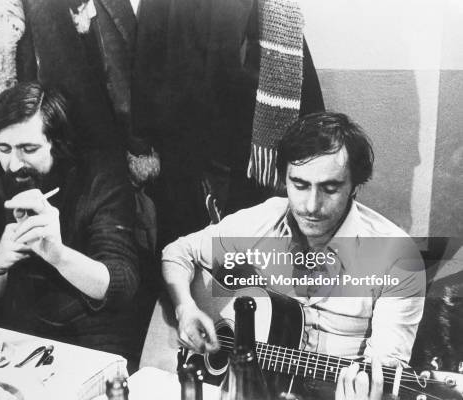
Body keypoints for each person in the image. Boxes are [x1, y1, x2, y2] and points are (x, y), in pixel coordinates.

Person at [0, 0, 325, 255]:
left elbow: (301, 93)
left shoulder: (278, 12)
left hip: (251, 157)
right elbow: (148, 74)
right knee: (193, 263)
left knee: (263, 256)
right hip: (184, 159)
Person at [162, 112, 426, 369]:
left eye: (330, 188)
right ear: (284, 180)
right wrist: (185, 308)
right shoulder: (264, 219)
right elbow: (178, 252)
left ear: (355, 186)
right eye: (299, 185)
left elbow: (386, 372)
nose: (311, 206)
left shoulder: (397, 257)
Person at [0, 82, 143, 368]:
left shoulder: (100, 180)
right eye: (4, 148)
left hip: (94, 333)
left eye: (28, 148)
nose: (14, 165)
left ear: (59, 145)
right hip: (23, 332)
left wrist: (59, 256)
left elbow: (122, 285)